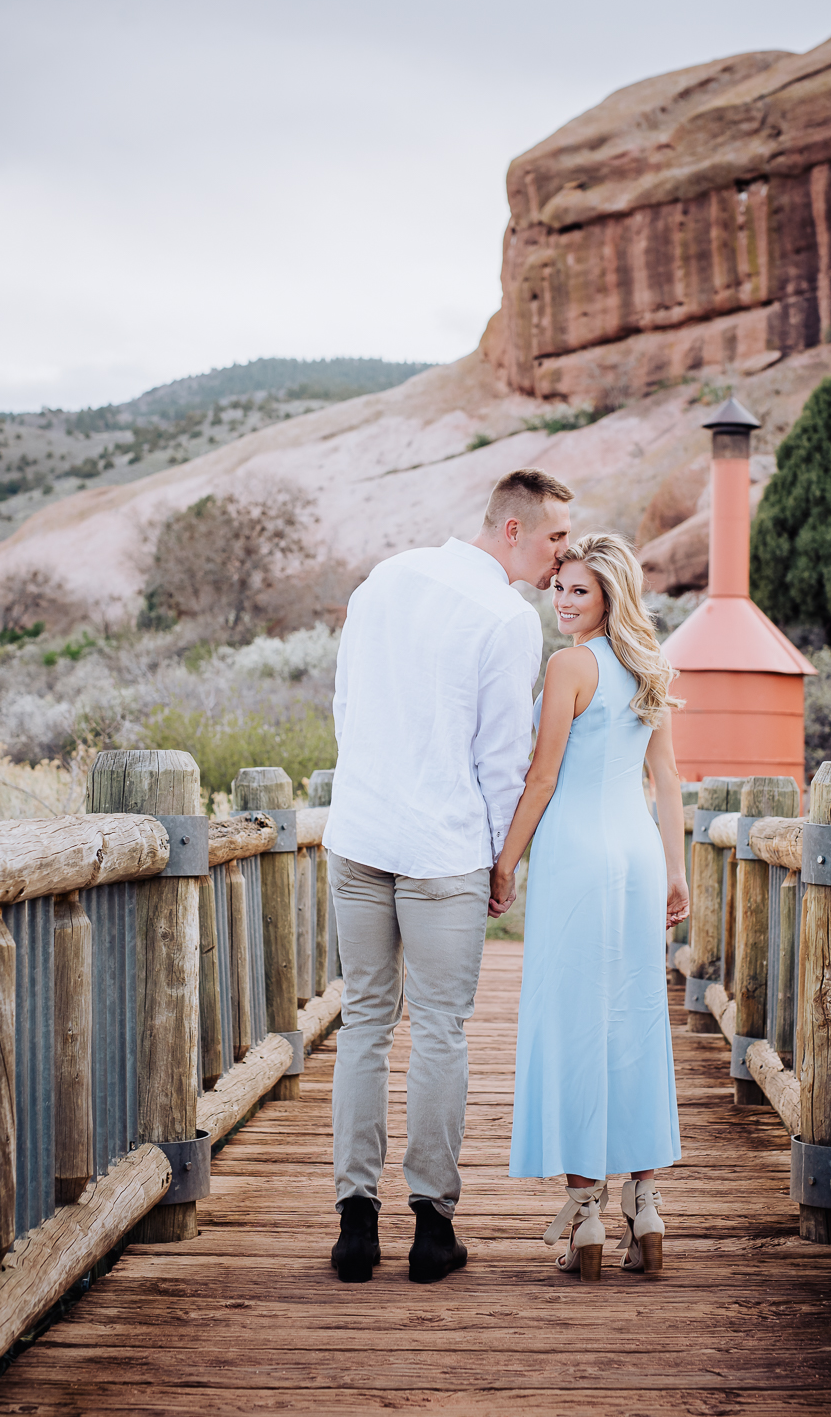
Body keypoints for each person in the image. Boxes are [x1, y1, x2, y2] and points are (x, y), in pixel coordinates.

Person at [323, 468, 574, 1285]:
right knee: (437, 1029)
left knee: (363, 1023)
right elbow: (500, 758)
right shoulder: (508, 617)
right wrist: (505, 863)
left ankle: (354, 1226)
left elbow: (346, 707)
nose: (560, 554)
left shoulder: (384, 579)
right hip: (443, 850)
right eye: (553, 537)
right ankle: (432, 1230)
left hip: (357, 834)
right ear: (511, 529)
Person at [492, 532, 688, 1280]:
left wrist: (505, 860)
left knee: (575, 1021)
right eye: (561, 587)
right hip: (636, 853)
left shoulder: (569, 664)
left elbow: (542, 780)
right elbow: (665, 780)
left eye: (579, 590)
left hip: (576, 855)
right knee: (634, 1018)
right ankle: (647, 1203)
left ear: (610, 595)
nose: (563, 600)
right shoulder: (648, 665)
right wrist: (675, 870)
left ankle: (585, 1215)